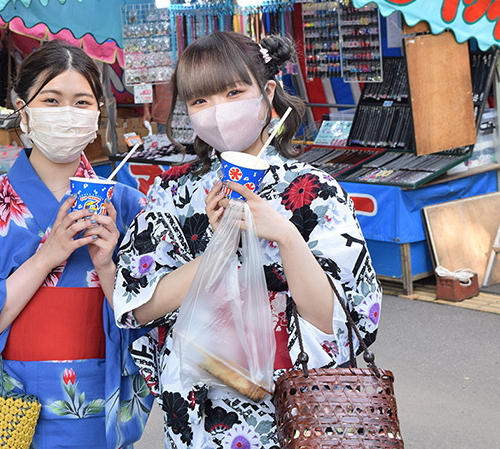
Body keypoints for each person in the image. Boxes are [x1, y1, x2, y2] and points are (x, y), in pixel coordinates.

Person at [113, 31, 382, 448]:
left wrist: (287, 237)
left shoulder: (315, 190)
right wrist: (216, 251)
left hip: (293, 409)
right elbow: (140, 304)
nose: (217, 111)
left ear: (268, 92)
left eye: (234, 92)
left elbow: (339, 322)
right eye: (201, 100)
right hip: (196, 407)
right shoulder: (173, 192)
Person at [0, 41, 153, 449]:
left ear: (97, 114)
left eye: (82, 102)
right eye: (51, 100)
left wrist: (107, 269)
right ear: (23, 110)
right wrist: (46, 257)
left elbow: (155, 325)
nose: (68, 113)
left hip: (94, 409)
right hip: (3, 409)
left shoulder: (126, 204)